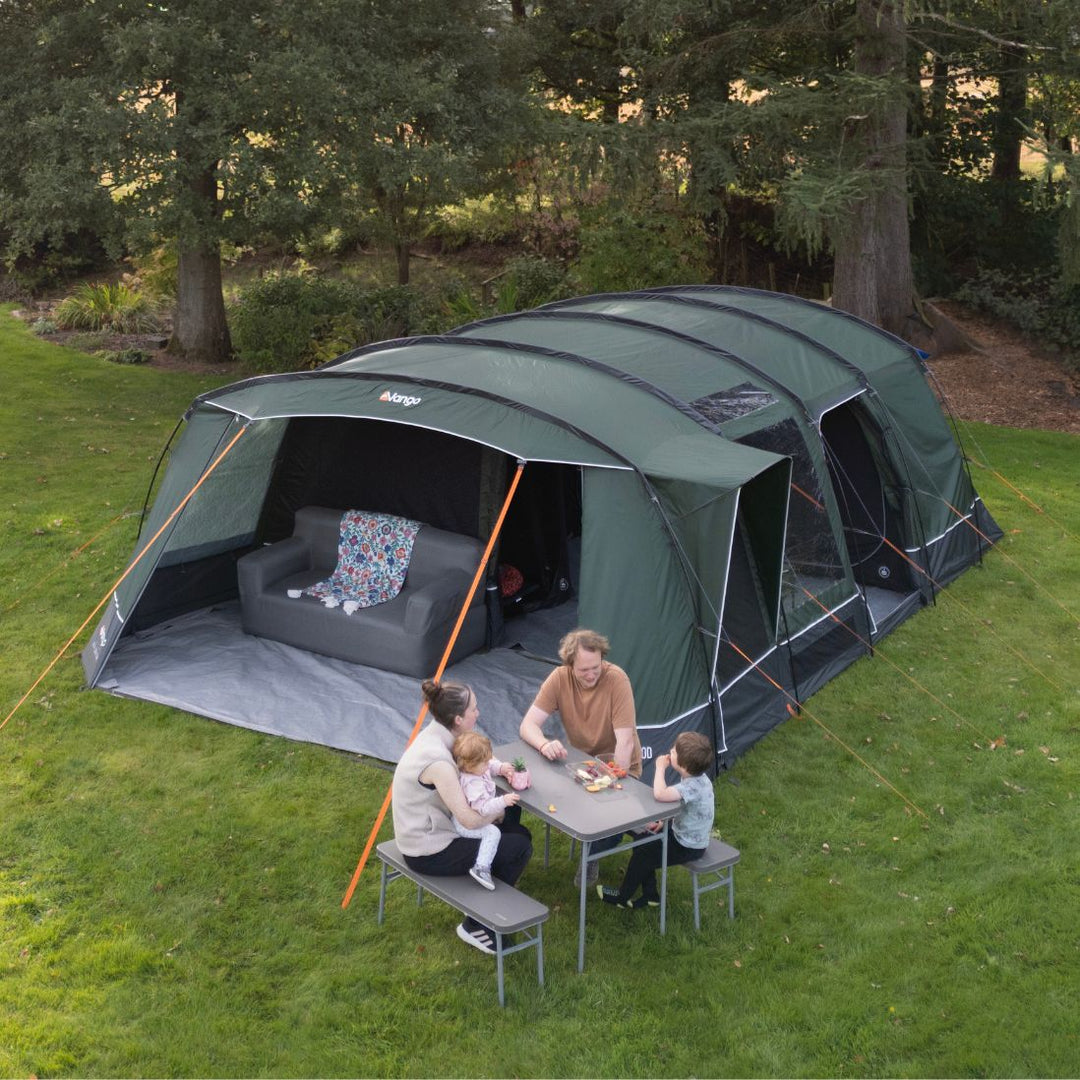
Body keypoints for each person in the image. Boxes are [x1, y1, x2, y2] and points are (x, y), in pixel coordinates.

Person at [391, 679, 532, 954]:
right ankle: (477, 925)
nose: (478, 713)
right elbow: (468, 819)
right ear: (458, 719)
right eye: (474, 710)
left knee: (515, 824)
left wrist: (501, 769)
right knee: (519, 845)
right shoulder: (438, 761)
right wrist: (498, 812)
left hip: (434, 828)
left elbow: (474, 771)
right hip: (427, 850)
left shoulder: (439, 737)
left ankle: (492, 882)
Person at [519, 628, 642, 884]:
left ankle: (592, 856)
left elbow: (625, 740)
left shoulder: (617, 679)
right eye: (584, 670)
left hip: (616, 766)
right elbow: (527, 725)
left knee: (612, 819)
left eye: (595, 667)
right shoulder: (560, 678)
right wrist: (543, 744)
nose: (591, 674)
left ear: (602, 658)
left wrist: (615, 778)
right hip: (581, 764)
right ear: (569, 665)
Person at [597, 731, 715, 910]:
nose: (670, 751)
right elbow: (684, 809)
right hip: (685, 833)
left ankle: (623, 896)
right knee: (643, 836)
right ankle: (650, 894)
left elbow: (660, 794)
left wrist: (660, 768)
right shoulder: (699, 779)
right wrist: (663, 821)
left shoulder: (691, 786)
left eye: (674, 751)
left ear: (683, 764)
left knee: (644, 854)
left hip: (687, 845)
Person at [451, 730, 521, 891]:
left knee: (496, 831)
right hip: (465, 825)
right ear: (470, 765)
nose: (488, 763)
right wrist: (503, 801)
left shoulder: (478, 768)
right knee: (492, 833)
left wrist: (502, 768)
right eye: (484, 761)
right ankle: (481, 867)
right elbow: (484, 808)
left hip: (474, 816)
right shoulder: (472, 784)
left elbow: (491, 766)